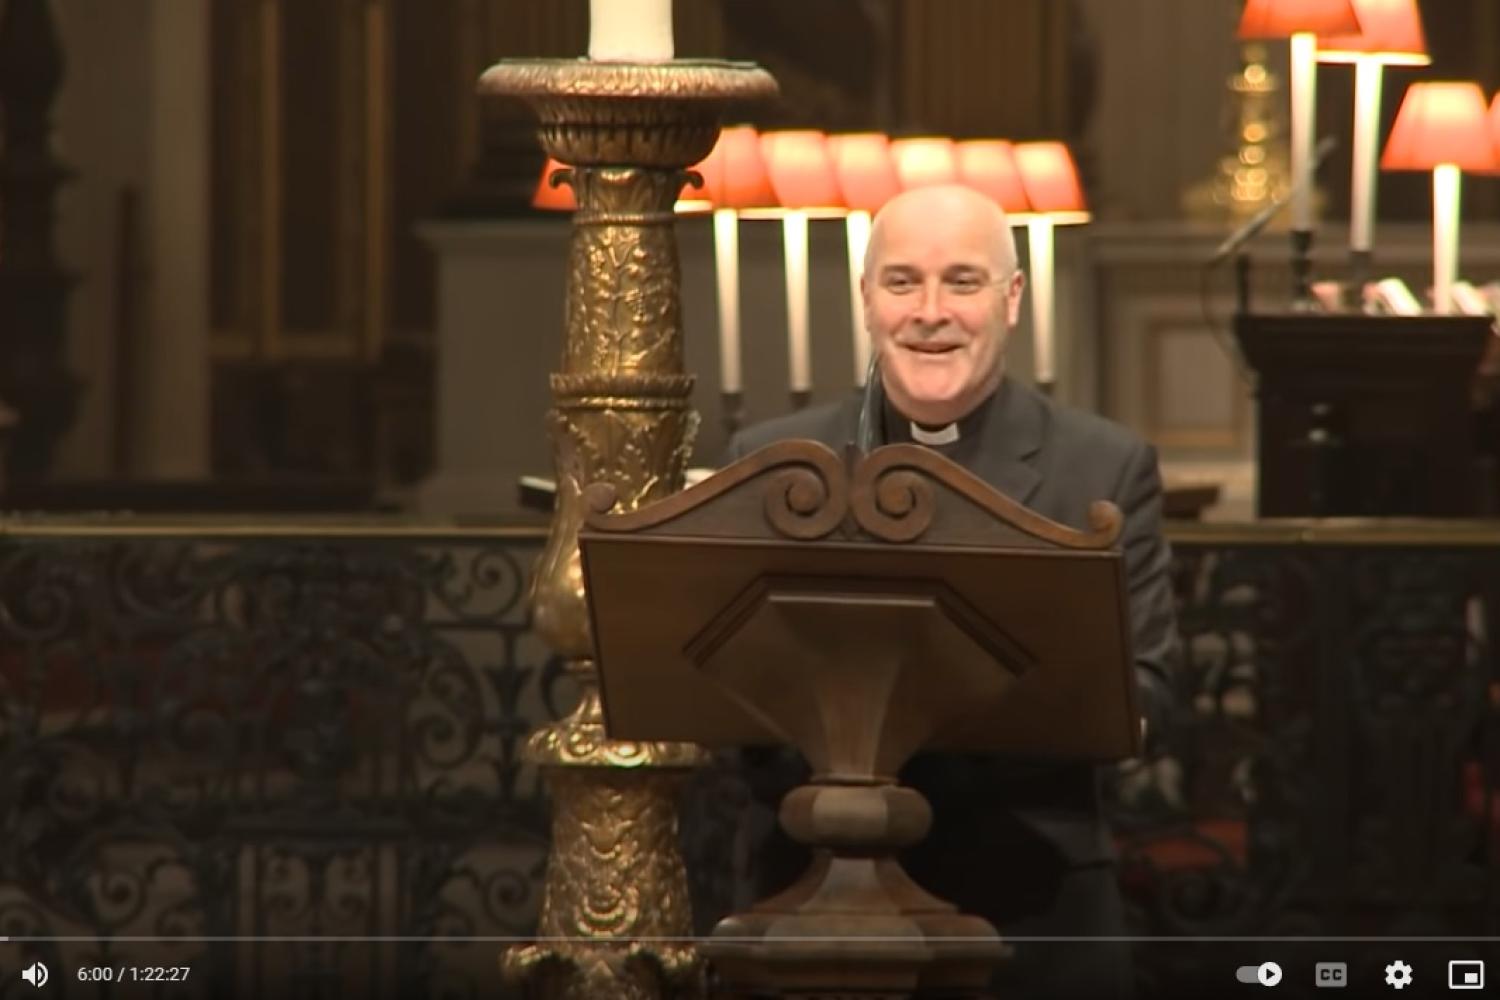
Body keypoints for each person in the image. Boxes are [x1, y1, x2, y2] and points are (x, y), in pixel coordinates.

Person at [721, 184, 1180, 999]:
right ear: (866, 299)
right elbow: (722, 690)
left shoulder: (1101, 469)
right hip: (807, 904)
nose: (930, 311)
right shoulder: (770, 461)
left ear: (1011, 300)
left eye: (962, 282)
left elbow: (1148, 690)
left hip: (1032, 908)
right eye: (902, 282)